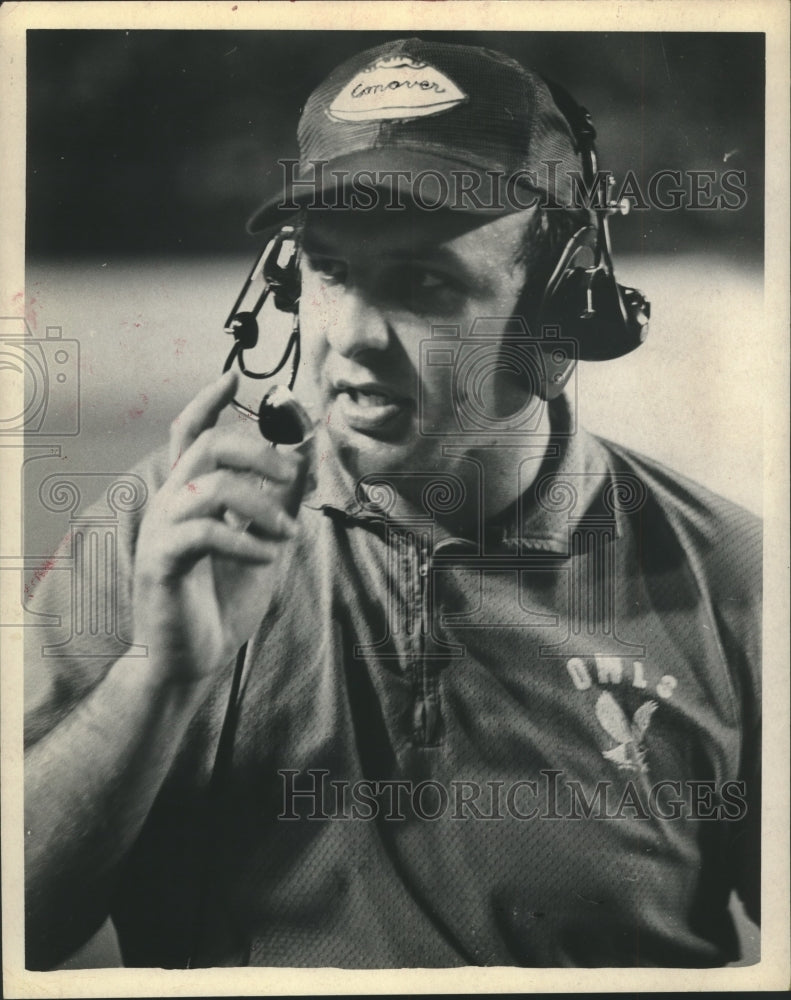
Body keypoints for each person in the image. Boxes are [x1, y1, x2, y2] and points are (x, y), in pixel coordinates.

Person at [24, 37, 761, 970]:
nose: (354, 341)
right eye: (330, 271)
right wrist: (156, 677)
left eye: (423, 283)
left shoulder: (739, 582)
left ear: (556, 313)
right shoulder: (163, 528)